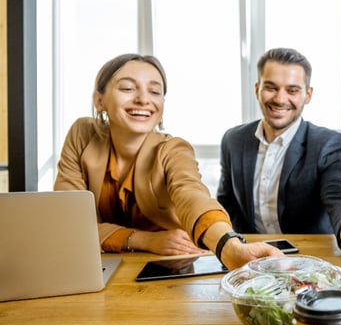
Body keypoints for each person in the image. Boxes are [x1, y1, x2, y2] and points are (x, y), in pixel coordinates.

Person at [54, 53, 283, 270]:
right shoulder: (82, 134)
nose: (143, 99)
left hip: (166, 268)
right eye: (127, 88)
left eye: (154, 92)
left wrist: (229, 247)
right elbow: (67, 223)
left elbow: (193, 197)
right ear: (99, 100)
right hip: (94, 267)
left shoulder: (173, 149)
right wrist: (147, 240)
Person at [216, 47, 341, 274]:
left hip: (310, 264)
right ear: (257, 89)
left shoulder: (327, 143)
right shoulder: (233, 140)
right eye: (271, 87)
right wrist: (230, 244)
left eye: (292, 90)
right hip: (250, 264)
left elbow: (339, 195)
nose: (280, 99)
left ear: (308, 95)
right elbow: (226, 203)